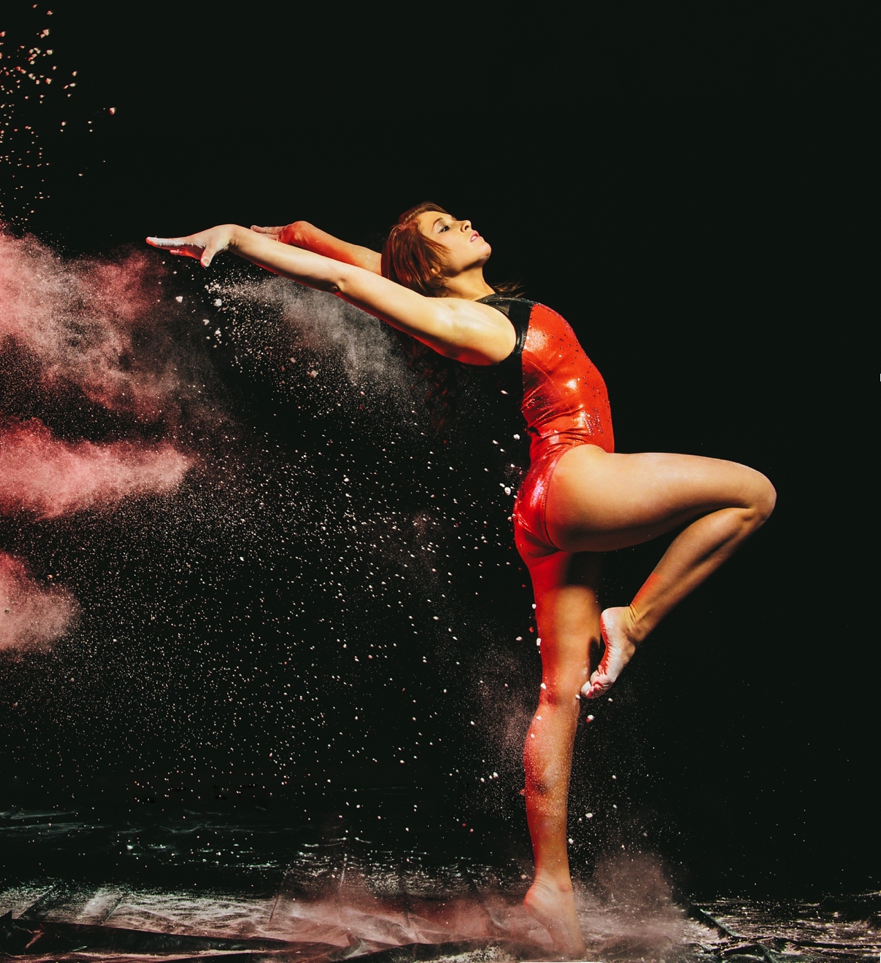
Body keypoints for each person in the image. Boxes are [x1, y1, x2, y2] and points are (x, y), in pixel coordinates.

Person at [147, 207, 775, 956]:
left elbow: (348, 254)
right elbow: (351, 278)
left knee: (558, 693)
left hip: (541, 510)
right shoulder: (474, 326)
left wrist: (281, 232)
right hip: (575, 479)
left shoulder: (466, 303)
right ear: (430, 266)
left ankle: (551, 885)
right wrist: (241, 244)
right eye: (444, 227)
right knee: (752, 492)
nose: (465, 222)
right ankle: (632, 624)